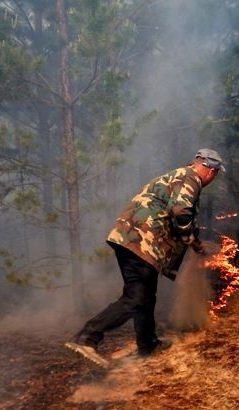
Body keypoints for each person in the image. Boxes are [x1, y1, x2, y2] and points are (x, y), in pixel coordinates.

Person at [64, 148, 225, 368]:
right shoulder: (191, 178)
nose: (213, 178)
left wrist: (195, 245)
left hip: (133, 240)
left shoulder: (179, 176)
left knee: (146, 295)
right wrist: (191, 239)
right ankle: (86, 337)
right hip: (140, 242)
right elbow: (180, 211)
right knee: (136, 298)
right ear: (210, 170)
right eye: (215, 173)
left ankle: (148, 344)